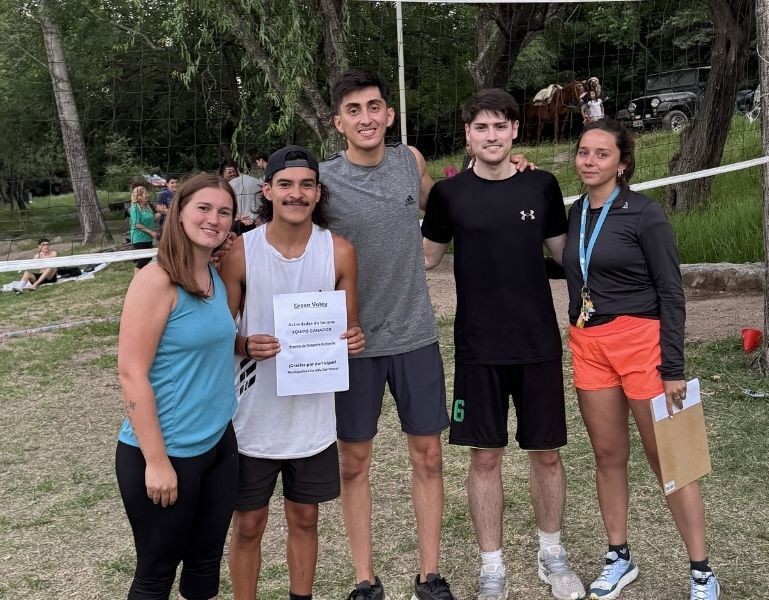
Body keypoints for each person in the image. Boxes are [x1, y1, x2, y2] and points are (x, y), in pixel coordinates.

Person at [321, 68, 533, 600]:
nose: (365, 118)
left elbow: (453, 201)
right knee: (354, 463)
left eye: (374, 107)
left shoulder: (408, 162)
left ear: (389, 114)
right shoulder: (321, 182)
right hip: (352, 344)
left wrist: (510, 170)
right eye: (353, 110)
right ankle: (364, 580)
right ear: (338, 122)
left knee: (430, 457)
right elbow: (284, 231)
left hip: (415, 336)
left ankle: (429, 576)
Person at [422, 88, 585, 600]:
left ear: (515, 130)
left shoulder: (541, 185)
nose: (491, 136)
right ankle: (492, 567)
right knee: (485, 458)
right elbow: (424, 257)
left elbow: (565, 255)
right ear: (467, 135)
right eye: (481, 127)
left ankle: (551, 554)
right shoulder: (448, 195)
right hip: (478, 348)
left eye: (500, 126)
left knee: (547, 455)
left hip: (537, 343)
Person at [564, 119, 720, 600]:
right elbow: (576, 265)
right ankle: (619, 556)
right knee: (608, 455)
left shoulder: (645, 214)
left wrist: (673, 368)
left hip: (642, 345)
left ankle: (701, 572)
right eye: (584, 152)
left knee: (672, 459)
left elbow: (672, 293)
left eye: (602, 154)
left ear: (622, 164)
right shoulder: (576, 212)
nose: (590, 161)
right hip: (588, 344)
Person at [219, 145, 365, 600]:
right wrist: (244, 344)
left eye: (306, 185)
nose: (296, 194)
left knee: (305, 518)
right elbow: (219, 334)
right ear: (267, 191)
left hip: (311, 416)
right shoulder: (241, 252)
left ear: (319, 193)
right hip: (252, 418)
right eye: (285, 184)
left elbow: (349, 326)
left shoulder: (339, 252)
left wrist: (353, 339)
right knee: (248, 524)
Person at [116, 172, 240, 600]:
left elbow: (203, 342)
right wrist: (156, 461)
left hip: (218, 444)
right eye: (203, 208)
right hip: (167, 452)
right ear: (179, 213)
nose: (213, 219)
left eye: (224, 212)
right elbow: (131, 372)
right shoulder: (155, 280)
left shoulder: (212, 275)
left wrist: (246, 344)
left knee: (205, 564)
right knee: (156, 574)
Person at [129, 185, 158, 272]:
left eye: (147, 193)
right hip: (139, 239)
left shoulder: (147, 206)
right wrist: (151, 232)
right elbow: (136, 224)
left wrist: (164, 212)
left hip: (148, 238)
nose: (147, 195)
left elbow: (153, 218)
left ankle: (144, 278)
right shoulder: (135, 207)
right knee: (142, 262)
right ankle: (135, 279)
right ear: (139, 196)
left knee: (148, 260)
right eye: (145, 193)